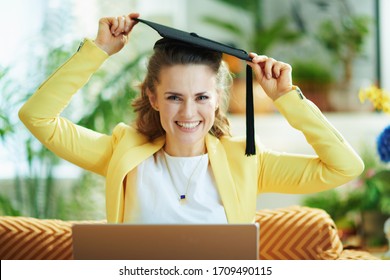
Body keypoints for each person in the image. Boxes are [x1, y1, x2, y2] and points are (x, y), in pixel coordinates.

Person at [19, 13, 364, 224]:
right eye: (173, 97)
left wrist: (287, 99)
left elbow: (345, 168)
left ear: (217, 101)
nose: (187, 113)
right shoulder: (121, 153)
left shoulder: (246, 161)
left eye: (201, 97)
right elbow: (38, 117)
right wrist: (98, 50)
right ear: (153, 97)